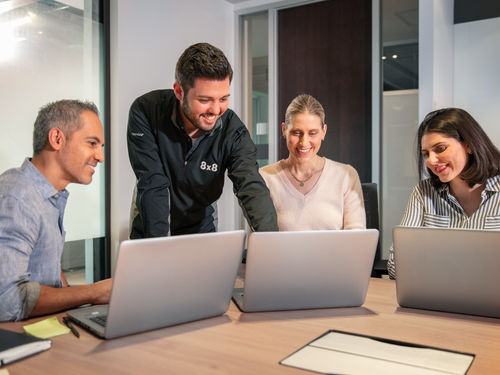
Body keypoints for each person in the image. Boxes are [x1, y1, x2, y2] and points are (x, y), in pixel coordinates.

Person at [127, 42, 278, 238]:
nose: (215, 111)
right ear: (179, 92)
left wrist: (273, 244)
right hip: (151, 225)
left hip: (200, 229)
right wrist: (158, 250)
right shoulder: (146, 112)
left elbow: (250, 185)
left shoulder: (233, 131)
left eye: (223, 99)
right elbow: (153, 183)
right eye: (205, 100)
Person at [0, 100, 112, 322]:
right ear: (57, 138)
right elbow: (7, 301)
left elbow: (47, 273)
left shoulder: (49, 196)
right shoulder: (17, 196)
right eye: (92, 143)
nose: (100, 156)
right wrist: (94, 292)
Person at [387, 108, 500, 279]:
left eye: (440, 148)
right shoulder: (423, 193)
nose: (431, 161)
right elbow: (396, 266)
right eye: (426, 154)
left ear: (468, 145)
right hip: (436, 299)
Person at [259, 94, 366, 230]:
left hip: (335, 252)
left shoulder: (346, 176)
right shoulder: (265, 178)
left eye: (313, 133)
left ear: (323, 132)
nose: (304, 143)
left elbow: (357, 240)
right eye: (297, 133)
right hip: (283, 252)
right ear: (284, 130)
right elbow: (262, 241)